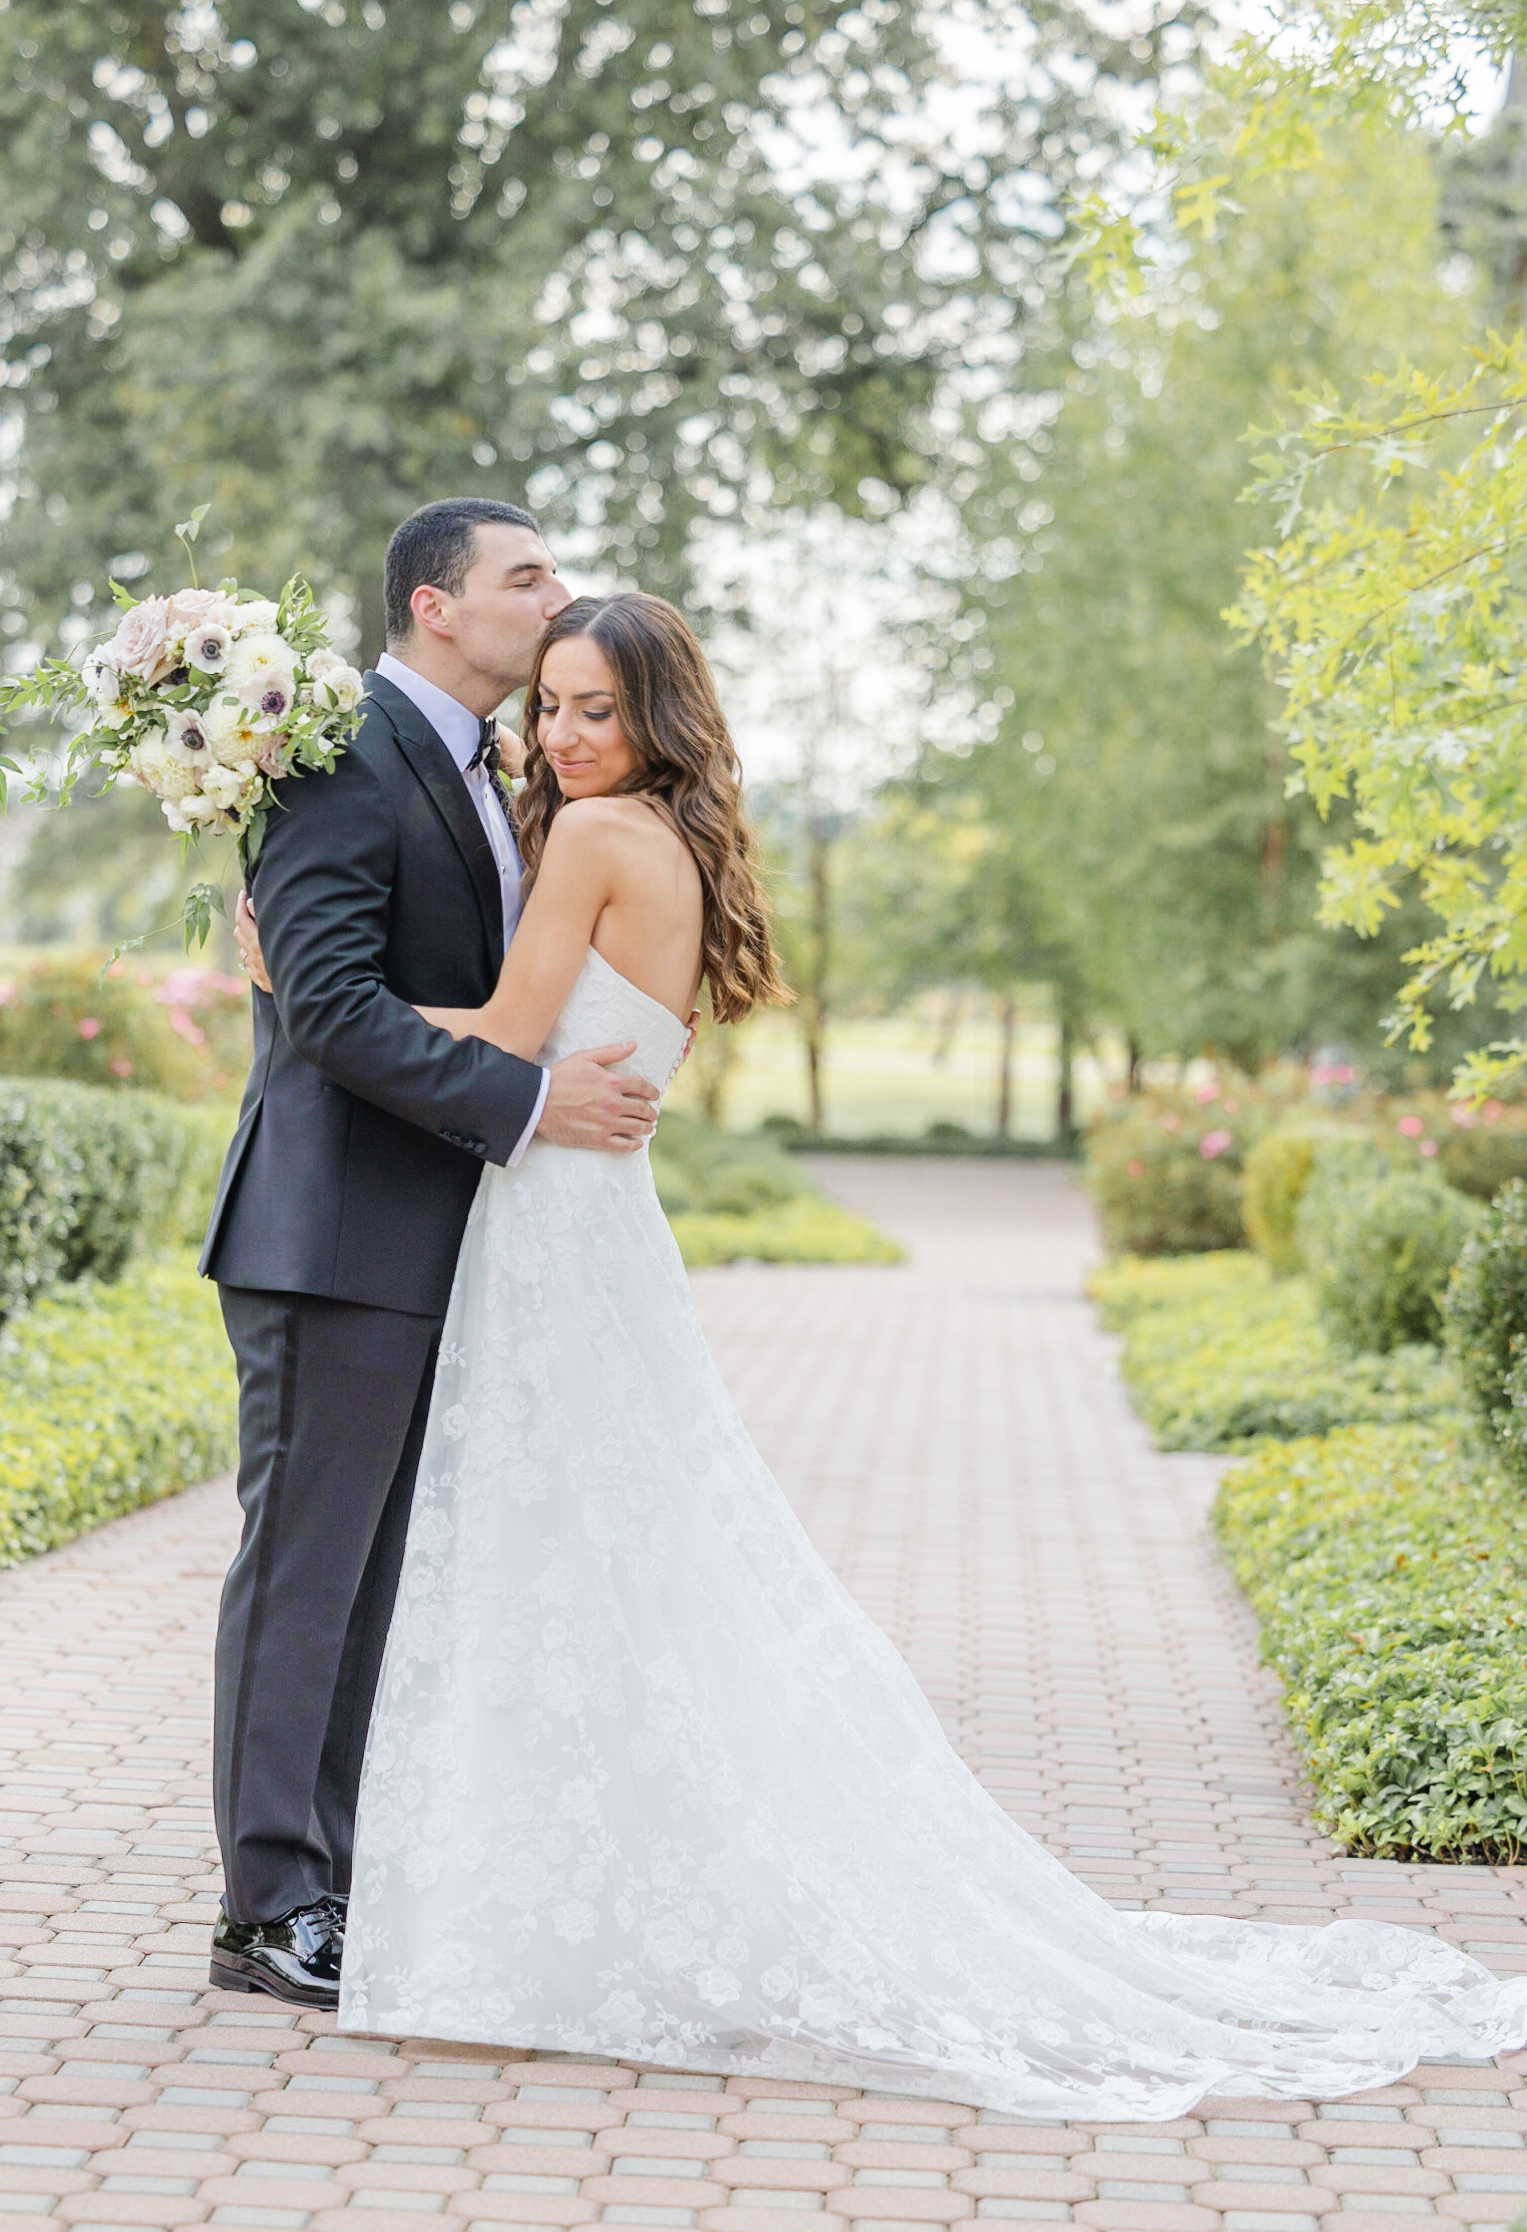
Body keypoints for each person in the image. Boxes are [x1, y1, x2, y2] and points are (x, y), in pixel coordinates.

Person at [334, 589, 1527, 2118]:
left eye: (594, 711)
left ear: (654, 722)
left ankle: (552, 1918)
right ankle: (592, 1900)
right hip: (595, 1221)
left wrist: (305, 987)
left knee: (565, 1548)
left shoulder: (591, 838)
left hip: (561, 1224)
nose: (560, 737)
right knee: (610, 1554)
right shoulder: (677, 842)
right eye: (549, 707)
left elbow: (503, 1035)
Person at [201, 500, 663, 2009]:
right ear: (435, 605)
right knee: (305, 1578)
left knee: (373, 1588)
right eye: (526, 574)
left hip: (432, 1238)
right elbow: (326, 1012)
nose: (558, 592)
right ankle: (269, 1906)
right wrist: (529, 1099)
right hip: (333, 1233)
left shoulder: (490, 769)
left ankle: (327, 1881)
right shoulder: (341, 756)